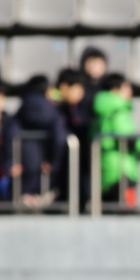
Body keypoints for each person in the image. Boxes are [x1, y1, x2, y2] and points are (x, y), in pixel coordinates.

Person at [91, 73, 140, 207]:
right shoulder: (119, 110)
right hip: (122, 169)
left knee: (110, 209)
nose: (130, 91)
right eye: (126, 87)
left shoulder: (100, 109)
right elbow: (127, 137)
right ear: (115, 90)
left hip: (107, 167)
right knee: (126, 211)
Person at [8, 74, 67, 208]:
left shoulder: (22, 109)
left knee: (23, 197)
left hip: (23, 159)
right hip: (45, 161)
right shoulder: (53, 111)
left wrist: (10, 161)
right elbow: (59, 138)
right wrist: (54, 161)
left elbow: (9, 133)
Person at [56, 68, 91, 207]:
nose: (81, 92)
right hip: (60, 165)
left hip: (77, 163)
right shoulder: (54, 109)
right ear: (64, 87)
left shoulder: (78, 108)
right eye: (77, 88)